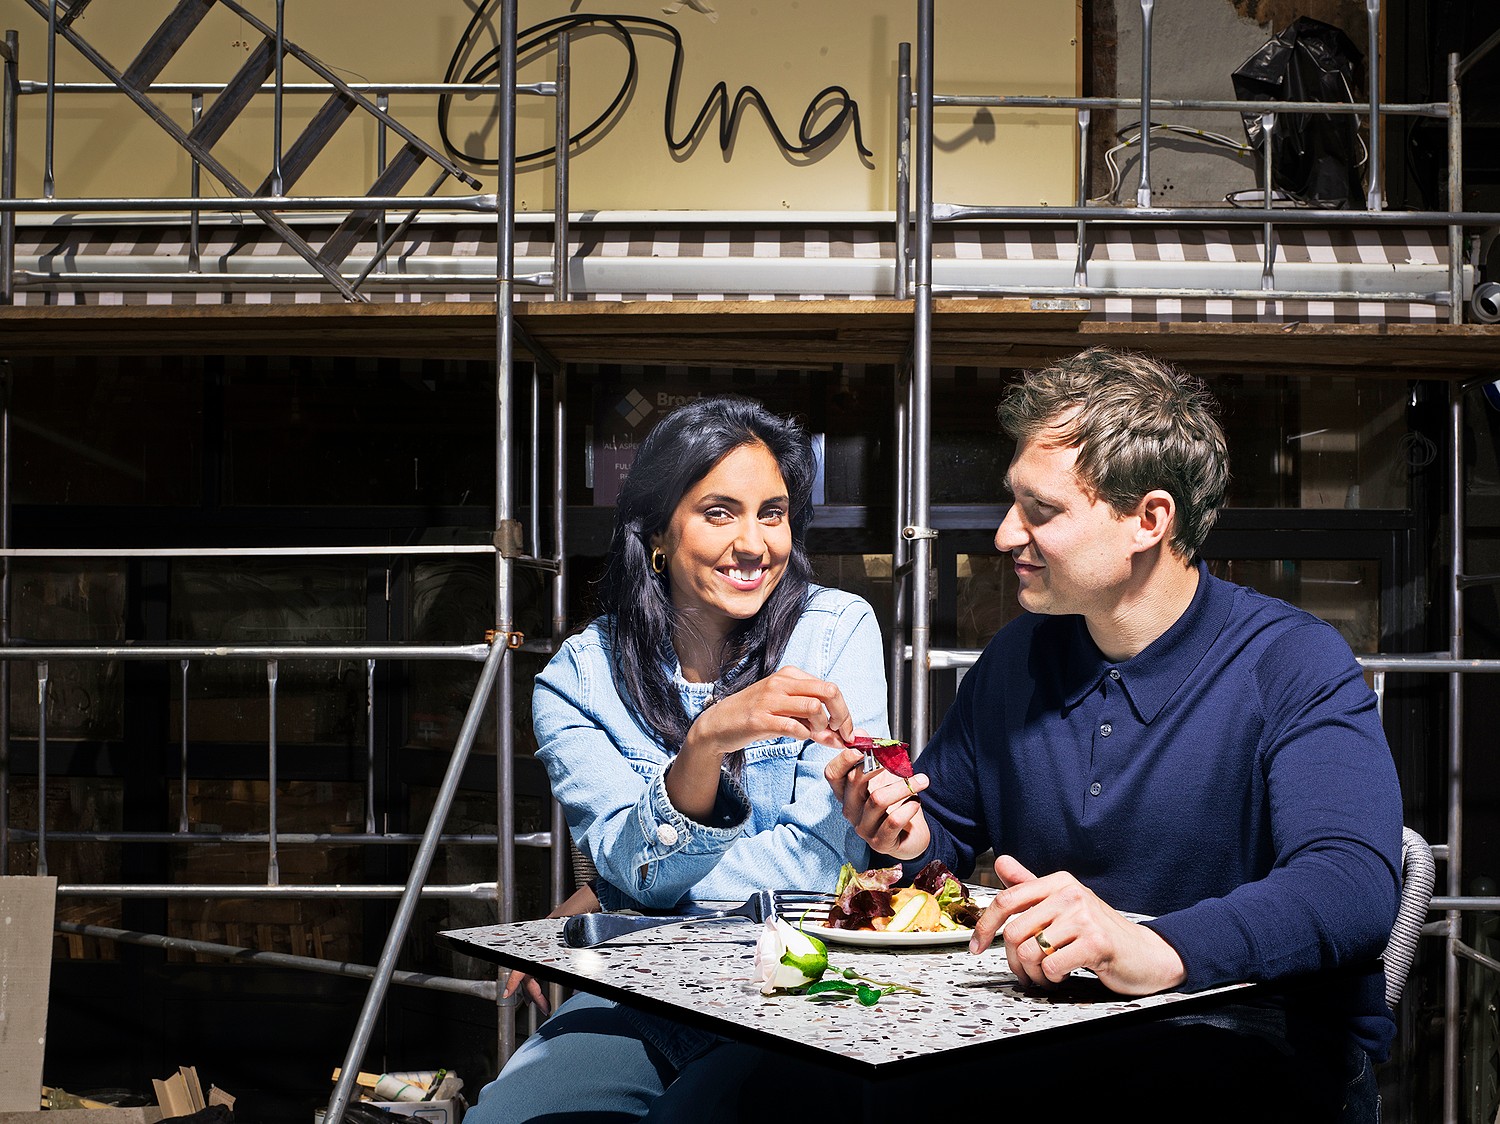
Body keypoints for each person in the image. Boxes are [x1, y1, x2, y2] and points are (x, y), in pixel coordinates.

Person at [826, 347, 1403, 1122]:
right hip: (1039, 1027)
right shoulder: (1016, 658)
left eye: (1042, 510)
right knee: (780, 1090)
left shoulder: (1294, 661)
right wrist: (904, 837)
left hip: (1245, 1037)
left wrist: (1159, 949)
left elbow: (1350, 884)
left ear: (1149, 519)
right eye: (1013, 503)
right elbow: (946, 841)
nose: (1004, 535)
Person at [467, 394, 888, 1122]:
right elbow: (626, 864)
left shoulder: (835, 630)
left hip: (791, 983)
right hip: (639, 989)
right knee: (506, 1117)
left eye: (773, 512)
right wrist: (705, 745)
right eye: (719, 512)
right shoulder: (578, 678)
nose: (755, 543)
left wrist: (619, 900)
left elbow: (821, 866)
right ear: (658, 533)